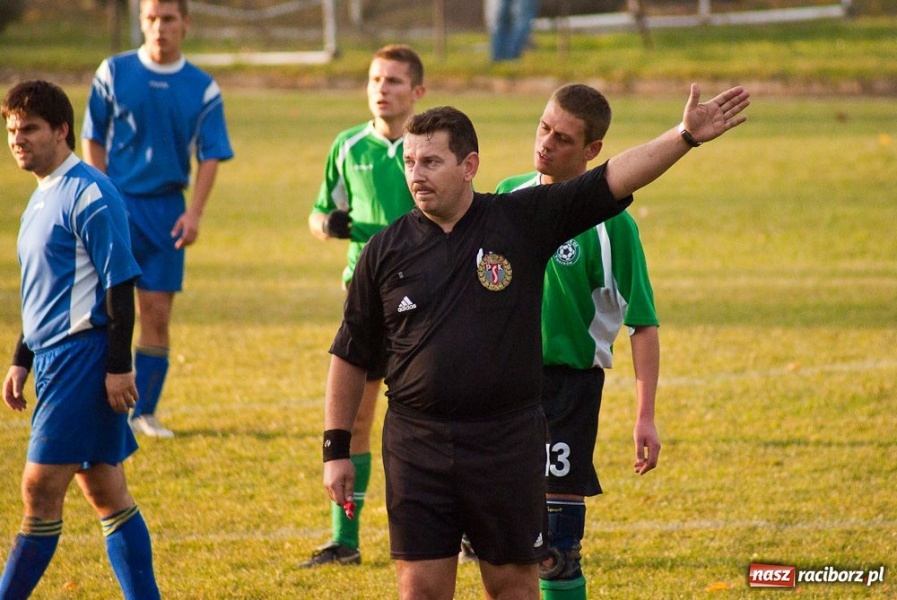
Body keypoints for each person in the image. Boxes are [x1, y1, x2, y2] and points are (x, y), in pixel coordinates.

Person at [322, 83, 750, 599]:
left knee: (515, 587)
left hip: (505, 444)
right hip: (417, 446)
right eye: (410, 162)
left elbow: (613, 178)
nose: (416, 175)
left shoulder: (520, 219)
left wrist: (685, 136)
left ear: (469, 165)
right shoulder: (383, 252)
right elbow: (350, 353)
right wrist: (335, 448)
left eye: (432, 162)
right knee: (421, 592)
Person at [494, 84, 661, 600]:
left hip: (566, 393)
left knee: (557, 554)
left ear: (592, 152)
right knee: (494, 547)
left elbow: (644, 323)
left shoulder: (615, 227)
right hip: (499, 387)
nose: (544, 143)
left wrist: (645, 415)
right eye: (543, 127)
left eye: (562, 138)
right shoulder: (507, 194)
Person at [1, 79, 160, 599]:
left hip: (82, 360)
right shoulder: (40, 197)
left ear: (62, 130)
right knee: (105, 490)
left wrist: (119, 366)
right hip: (51, 359)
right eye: (10, 130)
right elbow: (45, 291)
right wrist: (22, 358)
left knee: (40, 488)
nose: (17, 139)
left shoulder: (89, 192)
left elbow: (119, 283)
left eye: (29, 129)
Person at [81, 0, 234, 438]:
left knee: (156, 314)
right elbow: (93, 137)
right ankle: (98, 400)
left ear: (185, 23)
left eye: (168, 19)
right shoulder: (114, 72)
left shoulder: (202, 88)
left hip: (167, 210)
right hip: (117, 203)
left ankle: (143, 412)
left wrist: (194, 213)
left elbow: (210, 156)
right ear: (141, 23)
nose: (159, 27)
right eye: (150, 18)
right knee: (104, 310)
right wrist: (102, 197)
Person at [301, 44, 426, 568]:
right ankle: (345, 540)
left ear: (417, 92)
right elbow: (319, 210)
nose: (383, 88)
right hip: (365, 298)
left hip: (425, 299)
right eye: (376, 79)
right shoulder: (349, 146)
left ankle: (460, 531)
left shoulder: (428, 147)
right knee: (354, 420)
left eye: (395, 81)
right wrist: (327, 224)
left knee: (434, 420)